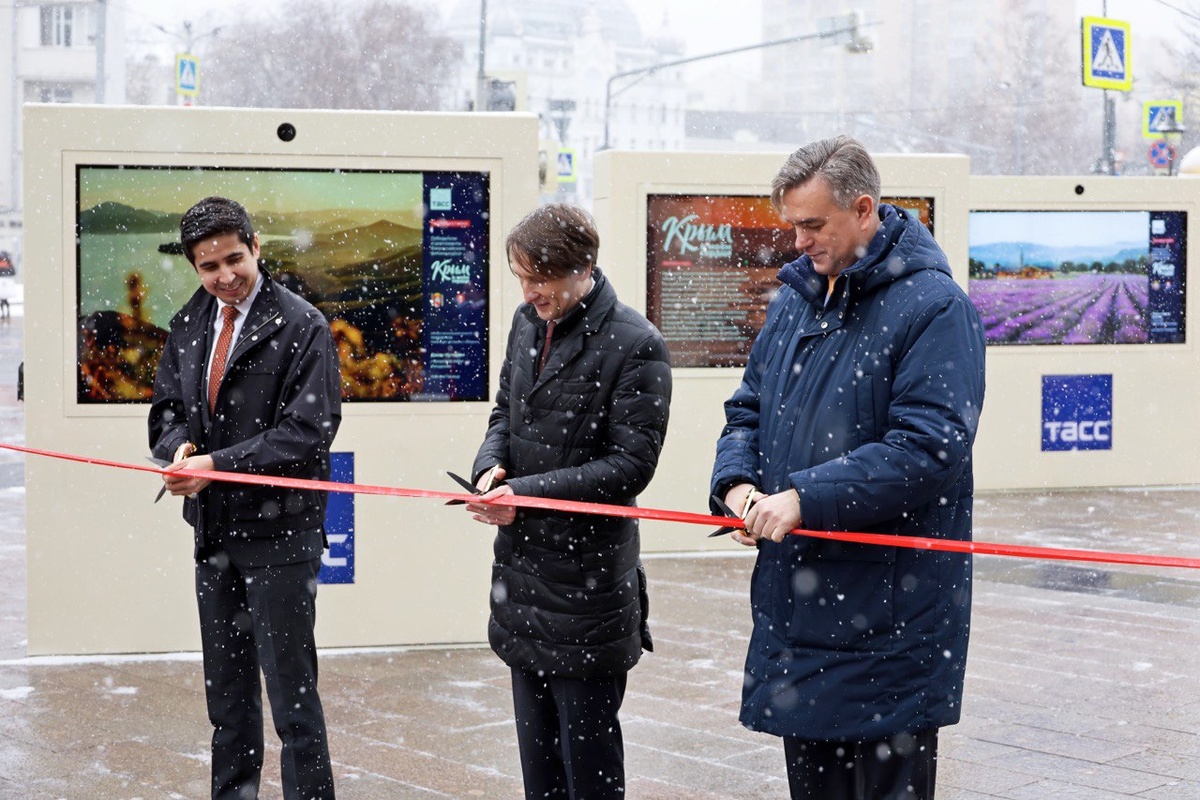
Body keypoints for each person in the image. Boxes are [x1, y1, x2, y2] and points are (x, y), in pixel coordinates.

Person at [710, 136, 986, 800]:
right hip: (800, 611)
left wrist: (803, 497)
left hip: (891, 621)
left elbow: (930, 448)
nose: (798, 240)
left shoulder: (935, 308)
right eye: (792, 225)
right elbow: (747, 408)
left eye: (813, 224)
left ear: (863, 209)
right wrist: (738, 486)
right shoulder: (794, 301)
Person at [465, 203, 672, 799]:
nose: (530, 292)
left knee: (589, 769)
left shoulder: (637, 344)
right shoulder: (526, 323)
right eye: (521, 277)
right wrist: (490, 465)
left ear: (583, 266)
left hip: (588, 588)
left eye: (540, 277)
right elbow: (503, 411)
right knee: (540, 770)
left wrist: (521, 496)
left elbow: (630, 467)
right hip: (523, 576)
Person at [148, 196, 341, 800]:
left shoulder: (302, 324)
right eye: (209, 267)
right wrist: (179, 449)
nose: (225, 276)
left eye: (235, 259)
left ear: (257, 247)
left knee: (292, 702)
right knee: (228, 701)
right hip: (213, 532)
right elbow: (166, 410)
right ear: (194, 267)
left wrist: (218, 466)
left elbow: (308, 431)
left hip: (281, 535)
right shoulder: (189, 322)